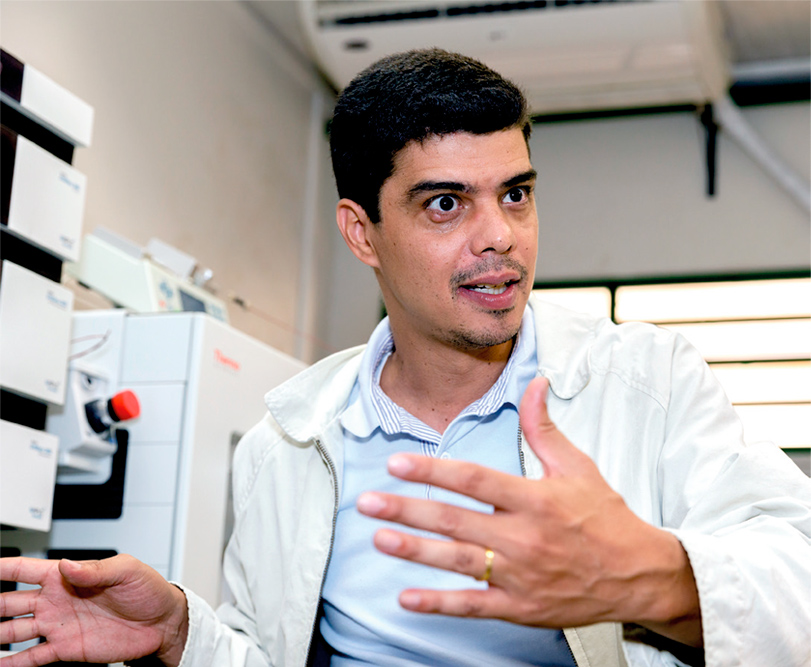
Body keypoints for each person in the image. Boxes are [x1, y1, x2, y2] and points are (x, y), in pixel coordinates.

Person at [1, 48, 810, 667]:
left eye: (516, 193)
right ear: (361, 233)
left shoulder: (648, 384)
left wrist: (649, 576)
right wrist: (181, 631)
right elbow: (267, 652)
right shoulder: (288, 440)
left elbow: (796, 582)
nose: (499, 233)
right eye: (446, 203)